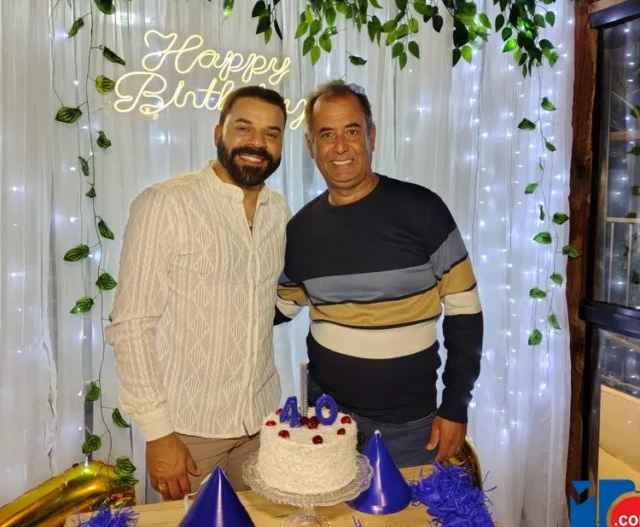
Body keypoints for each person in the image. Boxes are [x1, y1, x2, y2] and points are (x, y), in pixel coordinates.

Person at [275, 80, 483, 467]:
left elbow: (465, 312)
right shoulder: (300, 230)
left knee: (408, 510)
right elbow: (281, 307)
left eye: (352, 131)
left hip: (410, 428)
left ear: (371, 136)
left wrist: (456, 404)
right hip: (326, 419)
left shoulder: (423, 210)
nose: (340, 147)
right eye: (327, 134)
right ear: (310, 145)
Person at [106, 85, 289, 499]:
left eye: (272, 133)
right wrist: (158, 432)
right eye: (244, 128)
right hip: (188, 435)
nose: (257, 142)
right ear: (218, 133)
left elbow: (265, 302)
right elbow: (131, 324)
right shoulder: (166, 203)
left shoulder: (278, 211)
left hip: (262, 426)